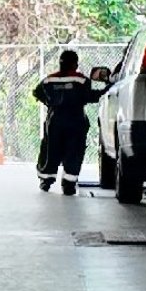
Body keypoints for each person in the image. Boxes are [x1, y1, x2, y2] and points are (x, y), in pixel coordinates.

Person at [33, 50, 105, 195]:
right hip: (75, 120)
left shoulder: (49, 80)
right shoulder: (81, 80)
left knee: (51, 150)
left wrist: (49, 103)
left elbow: (37, 92)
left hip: (55, 120)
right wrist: (106, 91)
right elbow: (89, 97)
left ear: (60, 62)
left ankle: (46, 181)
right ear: (75, 64)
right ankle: (68, 184)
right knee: (74, 151)